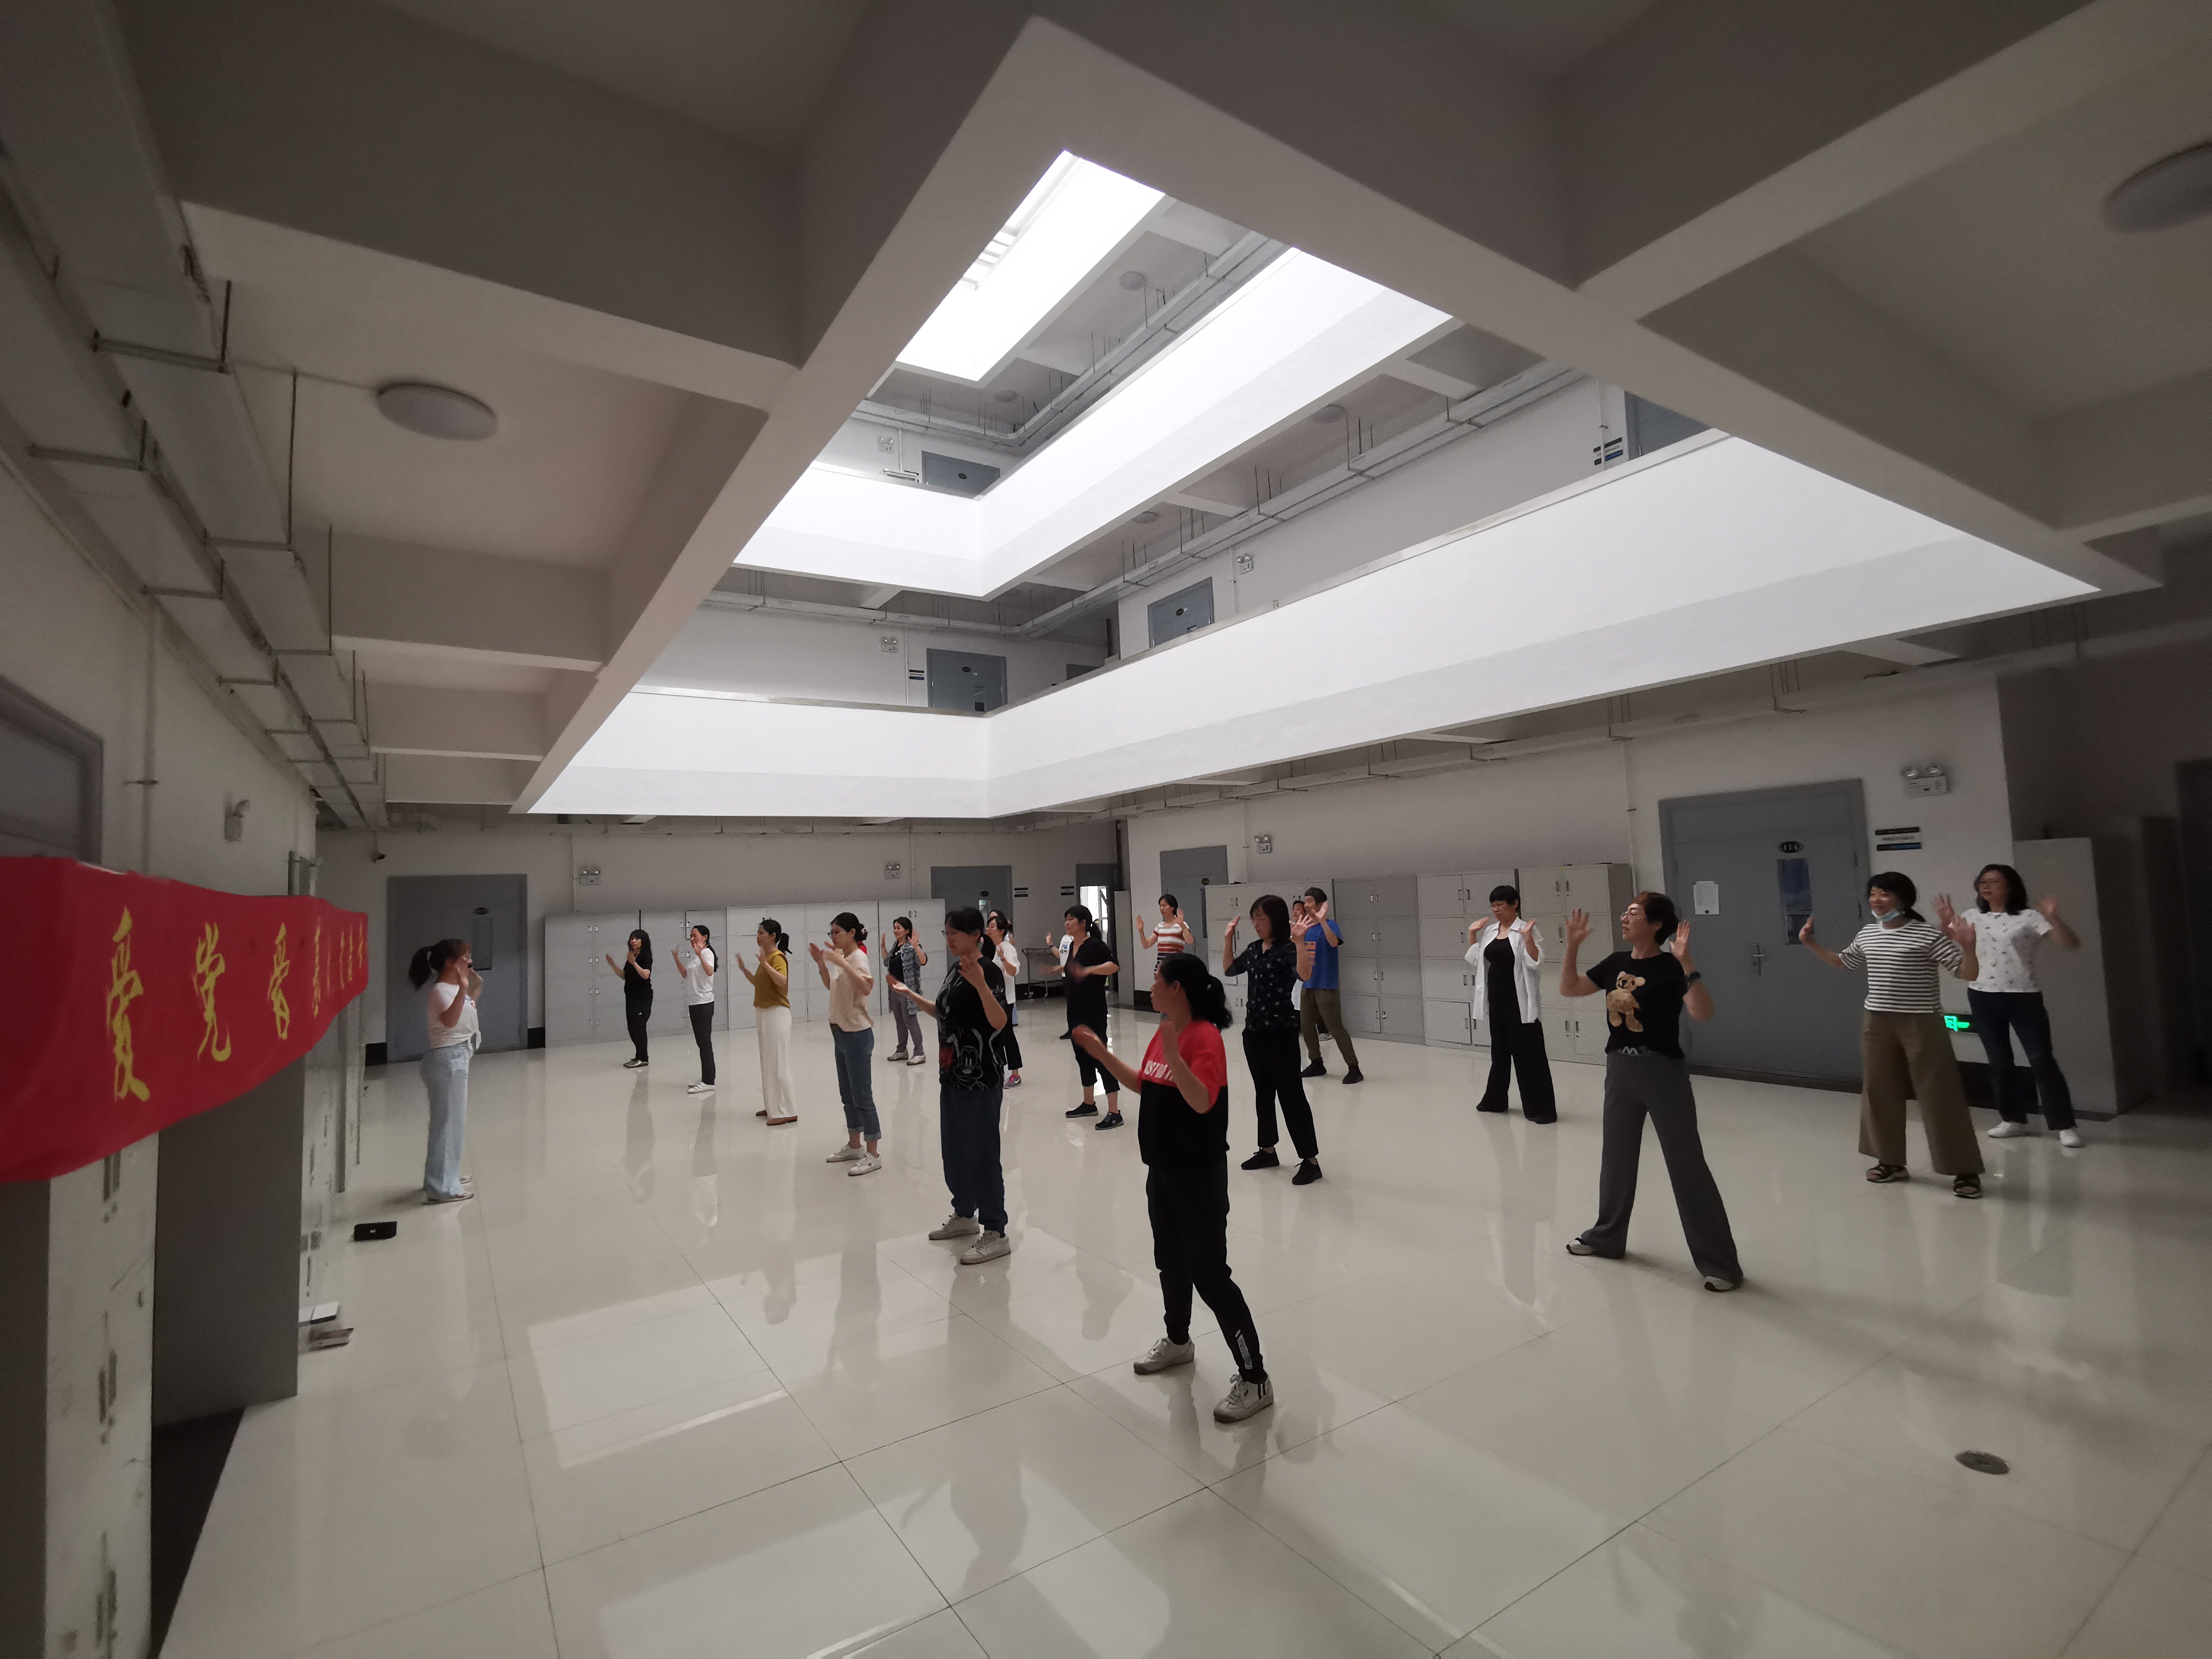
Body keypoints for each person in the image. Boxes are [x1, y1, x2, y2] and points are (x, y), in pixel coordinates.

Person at [1074, 954, 1274, 1423]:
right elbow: (1147, 1084)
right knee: (1170, 1261)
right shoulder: (1165, 1031)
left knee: (1210, 1276)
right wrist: (1102, 1054)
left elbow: (1201, 1100)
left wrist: (1175, 1052)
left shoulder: (1204, 1037)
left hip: (1198, 1176)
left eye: (1158, 980)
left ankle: (1255, 1378)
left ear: (1178, 988)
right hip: (1162, 1170)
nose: (1151, 986)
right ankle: (1179, 1340)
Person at [1557, 894, 1742, 1290]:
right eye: (1625, 912)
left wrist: (1687, 963)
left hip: (1662, 1071)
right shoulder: (1615, 963)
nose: (1625, 918)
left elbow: (1702, 1012)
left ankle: (1720, 1263)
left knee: (1686, 1163)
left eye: (1634, 913)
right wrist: (1572, 946)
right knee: (1616, 1158)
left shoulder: (1672, 967)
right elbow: (1569, 988)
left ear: (1656, 924)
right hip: (1620, 1069)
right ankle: (1606, 1237)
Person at [1800, 872, 1986, 1198]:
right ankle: (1890, 1161)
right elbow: (1843, 963)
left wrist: (1968, 946)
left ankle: (1964, 1168)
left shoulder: (1926, 934)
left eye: (1885, 894)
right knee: (1879, 1091)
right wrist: (1810, 943)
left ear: (1903, 899)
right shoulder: (1869, 933)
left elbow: (1967, 972)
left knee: (1940, 1093)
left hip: (1922, 1021)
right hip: (1877, 1022)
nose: (1877, 900)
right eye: (1873, 894)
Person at [895, 906, 1014, 1264]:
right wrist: (913, 997)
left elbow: (1000, 1022)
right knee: (956, 1151)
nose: (948, 939)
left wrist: (981, 986)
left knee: (982, 1154)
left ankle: (996, 1230)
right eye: (946, 933)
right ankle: (965, 1214)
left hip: (981, 1078)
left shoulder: (987, 971)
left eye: (954, 934)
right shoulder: (955, 969)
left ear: (976, 935)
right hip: (951, 1074)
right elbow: (945, 1012)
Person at [1962, 863, 2083, 1147]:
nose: (1986, 886)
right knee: (1999, 1061)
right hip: (1982, 994)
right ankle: (2012, 1119)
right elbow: (1954, 944)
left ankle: (2064, 1125)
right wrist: (1947, 925)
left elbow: (2069, 943)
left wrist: (2053, 917)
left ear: (2010, 886)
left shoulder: (2030, 917)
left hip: (2023, 995)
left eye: (1993, 881)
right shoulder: (1971, 916)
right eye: (1982, 881)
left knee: (2041, 1059)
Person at [1222, 893, 1321, 1183]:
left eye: (1260, 918)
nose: (1256, 924)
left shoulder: (1288, 949)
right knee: (1263, 1093)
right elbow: (1230, 969)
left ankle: (1311, 1160)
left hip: (1282, 1034)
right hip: (1254, 1033)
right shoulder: (1254, 949)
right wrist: (1228, 940)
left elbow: (1305, 975)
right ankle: (1267, 1150)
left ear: (1275, 920)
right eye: (1253, 919)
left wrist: (1300, 942)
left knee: (1291, 1096)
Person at [1465, 885, 1555, 1122]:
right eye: (1493, 906)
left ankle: (1540, 1109)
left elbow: (1535, 962)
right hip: (1496, 1001)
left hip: (1520, 1002)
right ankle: (1495, 1101)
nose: (1496, 910)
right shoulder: (1491, 931)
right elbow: (1478, 960)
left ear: (1515, 905)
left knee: (1529, 1056)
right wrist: (1472, 934)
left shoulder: (1524, 930)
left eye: (1501, 905)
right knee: (1500, 1053)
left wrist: (1527, 938)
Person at [408, 937, 480, 1204]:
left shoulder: (452, 989)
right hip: (447, 1061)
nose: (470, 962)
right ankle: (441, 1187)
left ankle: (446, 1175)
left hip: (457, 1057)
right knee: (447, 1124)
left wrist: (474, 987)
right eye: (465, 957)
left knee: (453, 1122)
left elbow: (466, 1011)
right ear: (450, 962)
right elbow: (450, 1021)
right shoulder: (441, 991)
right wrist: (464, 990)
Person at [813, 912, 881, 1174]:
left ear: (852, 933)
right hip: (840, 1032)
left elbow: (866, 988)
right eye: (831, 933)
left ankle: (873, 1153)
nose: (833, 937)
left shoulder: (858, 958)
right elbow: (832, 986)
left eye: (837, 932)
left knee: (863, 1095)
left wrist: (842, 962)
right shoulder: (841, 957)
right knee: (848, 1095)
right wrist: (822, 964)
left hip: (857, 1034)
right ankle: (855, 1145)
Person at [1050, 904, 1122, 1126]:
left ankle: (1115, 1112)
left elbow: (1114, 966)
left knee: (1100, 1056)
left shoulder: (1095, 945)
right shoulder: (1073, 945)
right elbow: (1074, 970)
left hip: (1094, 1010)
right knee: (1082, 1056)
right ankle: (1089, 1103)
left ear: (1083, 923)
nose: (1067, 923)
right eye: (1066, 919)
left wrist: (1089, 970)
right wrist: (1061, 969)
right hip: (1075, 1010)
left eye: (1071, 919)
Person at [733, 920, 798, 1125]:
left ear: (772, 936)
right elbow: (759, 983)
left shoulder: (777, 957)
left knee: (779, 1062)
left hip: (777, 1013)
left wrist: (765, 965)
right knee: (768, 1062)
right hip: (764, 1013)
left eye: (761, 933)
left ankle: (787, 1110)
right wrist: (744, 969)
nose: (758, 936)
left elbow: (782, 981)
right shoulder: (767, 958)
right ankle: (773, 1106)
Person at [1296, 886, 1363, 1085]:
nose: (1306, 905)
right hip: (1308, 984)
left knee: (1335, 1028)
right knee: (1307, 1026)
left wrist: (1323, 921)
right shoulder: (1306, 927)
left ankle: (1354, 1068)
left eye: (1309, 901)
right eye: (1305, 901)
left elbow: (1334, 943)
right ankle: (1316, 1063)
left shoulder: (1331, 925)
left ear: (1320, 904)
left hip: (1326, 985)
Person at [670, 924, 717, 1096]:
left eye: (695, 936)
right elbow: (686, 974)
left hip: (704, 1004)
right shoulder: (696, 956)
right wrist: (677, 959)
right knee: (701, 1043)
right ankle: (706, 1078)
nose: (691, 939)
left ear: (705, 937)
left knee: (705, 1043)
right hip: (695, 1003)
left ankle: (709, 1082)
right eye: (691, 936)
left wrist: (700, 954)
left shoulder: (707, 953)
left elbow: (710, 971)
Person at [883, 916, 929, 1065]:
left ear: (907, 930)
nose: (895, 931)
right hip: (894, 990)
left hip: (907, 991)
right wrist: (883, 947)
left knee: (911, 1021)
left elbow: (923, 961)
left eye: (899, 928)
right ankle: (902, 1050)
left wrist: (916, 946)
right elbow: (887, 963)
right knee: (900, 1022)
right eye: (895, 928)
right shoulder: (896, 946)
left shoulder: (912, 947)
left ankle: (920, 1053)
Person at [987, 909, 1026, 1087]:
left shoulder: (1007, 948)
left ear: (1002, 931)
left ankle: (1015, 1074)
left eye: (992, 926)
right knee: (997, 1036)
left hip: (1005, 1000)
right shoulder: (996, 947)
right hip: (994, 999)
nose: (989, 928)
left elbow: (1013, 972)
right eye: (988, 925)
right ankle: (999, 1070)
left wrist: (1004, 960)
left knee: (1007, 1036)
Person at [605, 927, 653, 1068]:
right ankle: (638, 1056)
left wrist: (634, 963)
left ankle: (643, 1058)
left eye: (637, 938)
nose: (634, 941)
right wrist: (613, 965)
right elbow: (624, 976)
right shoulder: (631, 956)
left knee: (639, 1027)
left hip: (642, 998)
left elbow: (646, 975)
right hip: (631, 997)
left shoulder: (645, 957)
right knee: (632, 1028)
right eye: (632, 938)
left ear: (643, 941)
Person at [1138, 893, 1191, 975]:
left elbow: (1190, 941)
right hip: (1161, 968)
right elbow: (1147, 945)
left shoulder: (1181, 925)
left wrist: (1182, 926)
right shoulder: (1160, 926)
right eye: (1160, 906)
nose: (1162, 908)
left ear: (1173, 907)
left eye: (1164, 906)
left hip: (1176, 968)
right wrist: (1141, 930)